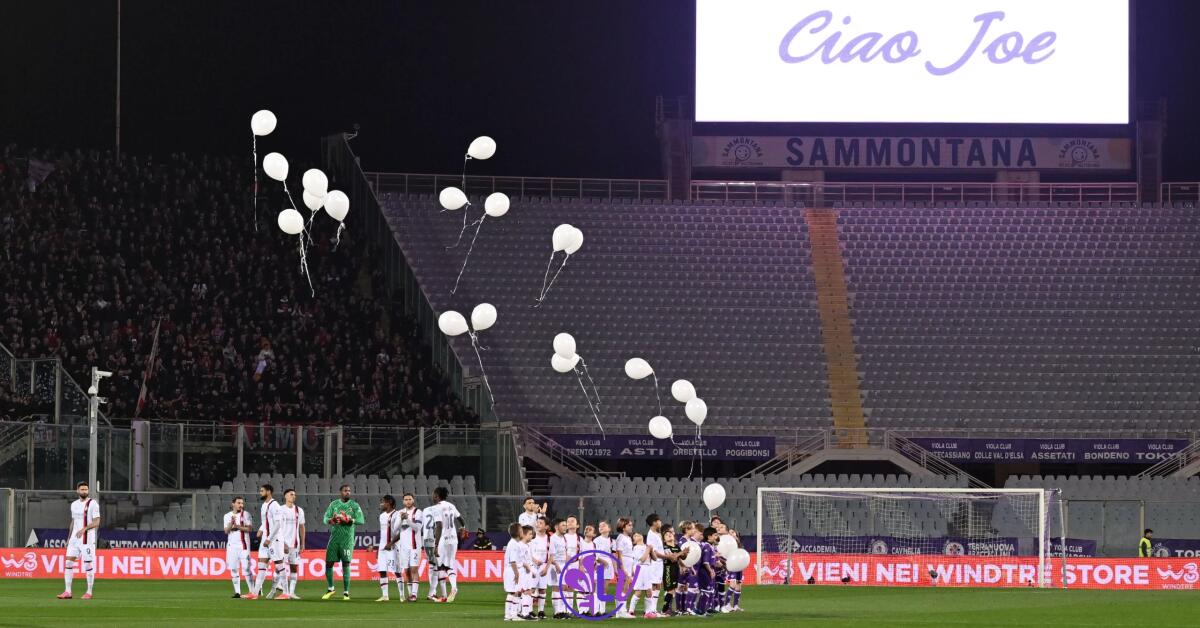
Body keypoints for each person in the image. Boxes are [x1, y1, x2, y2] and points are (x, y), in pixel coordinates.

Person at [58, 482, 100, 600]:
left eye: (86, 489)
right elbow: (73, 522)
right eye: (82, 489)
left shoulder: (93, 504)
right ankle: (67, 592)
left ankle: (89, 592)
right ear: (77, 491)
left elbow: (97, 522)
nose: (84, 491)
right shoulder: (74, 505)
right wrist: (68, 538)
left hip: (87, 538)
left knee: (87, 564)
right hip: (74, 539)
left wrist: (84, 529)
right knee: (68, 563)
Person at [322, 484, 365, 600]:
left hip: (347, 539)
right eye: (345, 491)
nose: (348, 492)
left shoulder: (354, 505)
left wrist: (350, 519)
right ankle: (331, 588)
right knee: (329, 563)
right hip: (334, 538)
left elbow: (361, 520)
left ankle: (346, 592)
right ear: (340, 492)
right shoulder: (334, 504)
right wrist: (331, 520)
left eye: (349, 491)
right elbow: (325, 518)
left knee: (346, 564)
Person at [430, 485, 463, 602]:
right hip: (453, 539)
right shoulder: (451, 505)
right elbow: (460, 518)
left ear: (437, 496)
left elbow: (439, 526)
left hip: (443, 540)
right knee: (449, 565)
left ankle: (443, 596)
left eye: (434, 494)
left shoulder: (436, 508)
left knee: (440, 566)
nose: (432, 496)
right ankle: (453, 588)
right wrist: (463, 528)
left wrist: (436, 545)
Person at [248, 484, 280, 599]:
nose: (260, 493)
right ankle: (255, 593)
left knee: (279, 567)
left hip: (273, 540)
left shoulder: (274, 505)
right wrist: (261, 530)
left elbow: (277, 524)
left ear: (269, 491)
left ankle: (280, 591)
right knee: (261, 566)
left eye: (262, 491)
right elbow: (265, 521)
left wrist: (269, 538)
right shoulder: (264, 505)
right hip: (265, 539)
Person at [223, 496, 255, 598]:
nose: (241, 505)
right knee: (233, 569)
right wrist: (231, 524)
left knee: (246, 568)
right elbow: (226, 531)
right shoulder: (227, 516)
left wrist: (237, 527)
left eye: (242, 503)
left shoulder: (246, 514)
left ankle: (252, 591)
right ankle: (237, 592)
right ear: (233, 504)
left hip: (243, 545)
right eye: (238, 503)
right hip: (232, 546)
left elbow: (249, 529)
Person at [373, 495, 401, 602]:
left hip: (394, 547)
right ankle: (385, 596)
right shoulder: (382, 516)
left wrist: (391, 543)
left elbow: (400, 532)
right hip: (382, 547)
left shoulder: (397, 515)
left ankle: (401, 595)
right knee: (382, 570)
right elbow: (383, 533)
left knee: (397, 571)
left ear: (388, 503)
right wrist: (378, 549)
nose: (381, 504)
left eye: (382, 502)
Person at [396, 493, 424, 601]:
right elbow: (395, 529)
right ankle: (410, 594)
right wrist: (400, 519)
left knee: (414, 569)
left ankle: (414, 594)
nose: (408, 501)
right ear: (403, 501)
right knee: (406, 571)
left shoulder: (418, 512)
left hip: (414, 546)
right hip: (403, 547)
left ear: (413, 500)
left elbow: (417, 528)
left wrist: (407, 520)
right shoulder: (400, 512)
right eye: (406, 499)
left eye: (410, 499)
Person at [280, 489, 306, 599]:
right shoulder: (280, 510)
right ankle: (281, 589)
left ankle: (291, 592)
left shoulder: (299, 510)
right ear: (285, 496)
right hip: (283, 544)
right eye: (291, 494)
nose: (293, 496)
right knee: (280, 567)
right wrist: (281, 543)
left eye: (294, 495)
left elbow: (301, 527)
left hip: (295, 544)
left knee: (294, 568)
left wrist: (303, 543)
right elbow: (277, 528)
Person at [642, 513, 667, 618]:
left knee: (658, 585)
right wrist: (667, 557)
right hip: (654, 563)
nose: (660, 522)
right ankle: (649, 610)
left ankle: (653, 610)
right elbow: (654, 552)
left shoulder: (658, 534)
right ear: (654, 522)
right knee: (652, 585)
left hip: (660, 562)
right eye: (659, 520)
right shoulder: (651, 535)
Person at [612, 518, 635, 619]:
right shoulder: (621, 538)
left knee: (625, 586)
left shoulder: (628, 538)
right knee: (623, 586)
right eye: (629, 525)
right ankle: (622, 610)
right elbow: (619, 554)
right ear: (623, 527)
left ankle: (619, 611)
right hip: (624, 562)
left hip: (629, 561)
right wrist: (622, 567)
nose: (631, 527)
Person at [503, 523, 527, 621]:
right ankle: (513, 614)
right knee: (515, 592)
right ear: (518, 532)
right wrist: (517, 573)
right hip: (512, 570)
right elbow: (512, 561)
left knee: (512, 592)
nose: (523, 532)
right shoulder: (513, 544)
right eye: (521, 530)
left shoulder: (513, 543)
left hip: (510, 570)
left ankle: (508, 615)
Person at [547, 518, 569, 618]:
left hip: (563, 565)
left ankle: (562, 610)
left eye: (565, 525)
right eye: (563, 525)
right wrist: (556, 565)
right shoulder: (553, 538)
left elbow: (565, 553)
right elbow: (551, 555)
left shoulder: (564, 538)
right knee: (556, 588)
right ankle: (557, 612)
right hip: (555, 566)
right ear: (556, 527)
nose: (566, 527)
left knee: (563, 588)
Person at [530, 517, 550, 619]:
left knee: (542, 589)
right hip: (533, 566)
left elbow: (551, 555)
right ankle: (529, 610)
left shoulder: (550, 538)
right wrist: (533, 560)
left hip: (544, 567)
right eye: (537, 523)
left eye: (541, 523)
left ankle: (541, 611)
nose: (538, 525)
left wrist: (547, 568)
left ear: (546, 526)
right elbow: (527, 552)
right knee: (531, 589)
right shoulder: (532, 537)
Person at [660, 525, 682, 616]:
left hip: (675, 569)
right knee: (670, 590)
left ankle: (668, 609)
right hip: (668, 570)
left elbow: (680, 558)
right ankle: (664, 610)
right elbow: (673, 558)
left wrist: (683, 566)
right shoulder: (665, 548)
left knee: (673, 590)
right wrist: (682, 552)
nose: (669, 535)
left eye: (670, 533)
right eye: (666, 534)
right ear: (664, 540)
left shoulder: (677, 547)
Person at [592, 520, 613, 615]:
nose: (601, 527)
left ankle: (602, 610)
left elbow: (613, 555)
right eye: (600, 526)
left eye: (603, 526)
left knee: (605, 588)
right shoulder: (596, 540)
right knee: (598, 588)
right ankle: (595, 610)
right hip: (600, 564)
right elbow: (594, 554)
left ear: (609, 529)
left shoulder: (612, 541)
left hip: (609, 565)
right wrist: (600, 561)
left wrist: (615, 569)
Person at [722, 527, 744, 613]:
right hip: (732, 565)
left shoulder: (739, 543)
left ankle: (735, 606)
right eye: (730, 532)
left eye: (733, 532)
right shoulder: (728, 544)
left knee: (739, 584)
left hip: (739, 565)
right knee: (733, 584)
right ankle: (726, 604)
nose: (731, 534)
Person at [629, 532, 651, 618]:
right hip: (639, 569)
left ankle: (648, 612)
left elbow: (653, 558)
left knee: (649, 591)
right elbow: (642, 559)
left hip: (647, 569)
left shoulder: (647, 546)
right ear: (634, 540)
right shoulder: (636, 548)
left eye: (638, 534)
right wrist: (648, 550)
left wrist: (650, 550)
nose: (638, 535)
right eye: (635, 535)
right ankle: (631, 610)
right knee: (638, 591)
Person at [519, 525, 537, 619]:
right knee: (526, 591)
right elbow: (522, 561)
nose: (531, 536)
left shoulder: (526, 545)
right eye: (530, 534)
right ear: (524, 535)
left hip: (527, 571)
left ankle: (526, 612)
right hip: (524, 572)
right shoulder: (522, 546)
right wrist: (531, 570)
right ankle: (524, 613)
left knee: (528, 591)